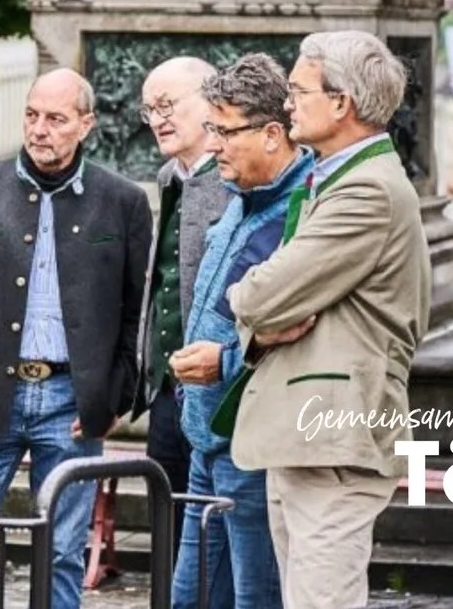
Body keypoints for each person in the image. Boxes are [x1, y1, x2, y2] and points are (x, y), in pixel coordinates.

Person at [0, 68, 152, 609]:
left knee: (61, 554)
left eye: (56, 119)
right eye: (32, 115)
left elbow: (134, 310)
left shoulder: (124, 202)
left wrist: (116, 395)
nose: (40, 129)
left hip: (70, 402)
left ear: (86, 124)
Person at [224, 31, 428, 609]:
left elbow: (262, 292)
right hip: (309, 438)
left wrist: (250, 309)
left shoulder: (366, 189)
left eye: (297, 90)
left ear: (342, 103)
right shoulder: (339, 177)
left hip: (333, 438)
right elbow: (271, 308)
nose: (287, 104)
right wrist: (260, 328)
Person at [169, 54, 309, 609]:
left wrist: (222, 362)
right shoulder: (238, 199)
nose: (214, 146)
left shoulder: (305, 212)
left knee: (256, 599)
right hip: (209, 435)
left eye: (225, 132)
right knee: (191, 599)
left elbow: (299, 329)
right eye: (212, 129)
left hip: (254, 445)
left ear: (273, 134)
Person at [134, 54, 226, 533]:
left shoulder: (235, 181)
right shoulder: (172, 176)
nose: (157, 119)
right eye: (150, 109)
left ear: (211, 103)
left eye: (168, 104)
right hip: (167, 389)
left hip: (215, 386)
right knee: (166, 525)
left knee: (210, 529)